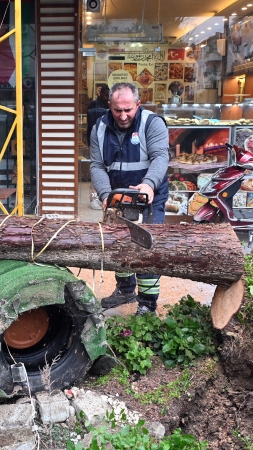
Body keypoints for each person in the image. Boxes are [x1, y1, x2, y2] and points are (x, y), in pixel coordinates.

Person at [89, 82, 169, 315]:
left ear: (138, 105)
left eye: (128, 110)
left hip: (150, 195)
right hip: (118, 196)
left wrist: (149, 184)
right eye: (117, 110)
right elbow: (96, 165)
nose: (123, 116)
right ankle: (125, 290)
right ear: (109, 106)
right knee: (119, 243)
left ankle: (147, 303)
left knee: (146, 247)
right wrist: (105, 194)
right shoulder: (99, 128)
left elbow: (161, 157)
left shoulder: (152, 124)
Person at [86, 85, 111, 210]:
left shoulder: (111, 106)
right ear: (100, 93)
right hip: (95, 141)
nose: (108, 98)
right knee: (96, 170)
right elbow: (91, 126)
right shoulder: (93, 105)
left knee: (107, 170)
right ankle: (93, 198)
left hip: (108, 142)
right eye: (106, 95)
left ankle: (103, 197)